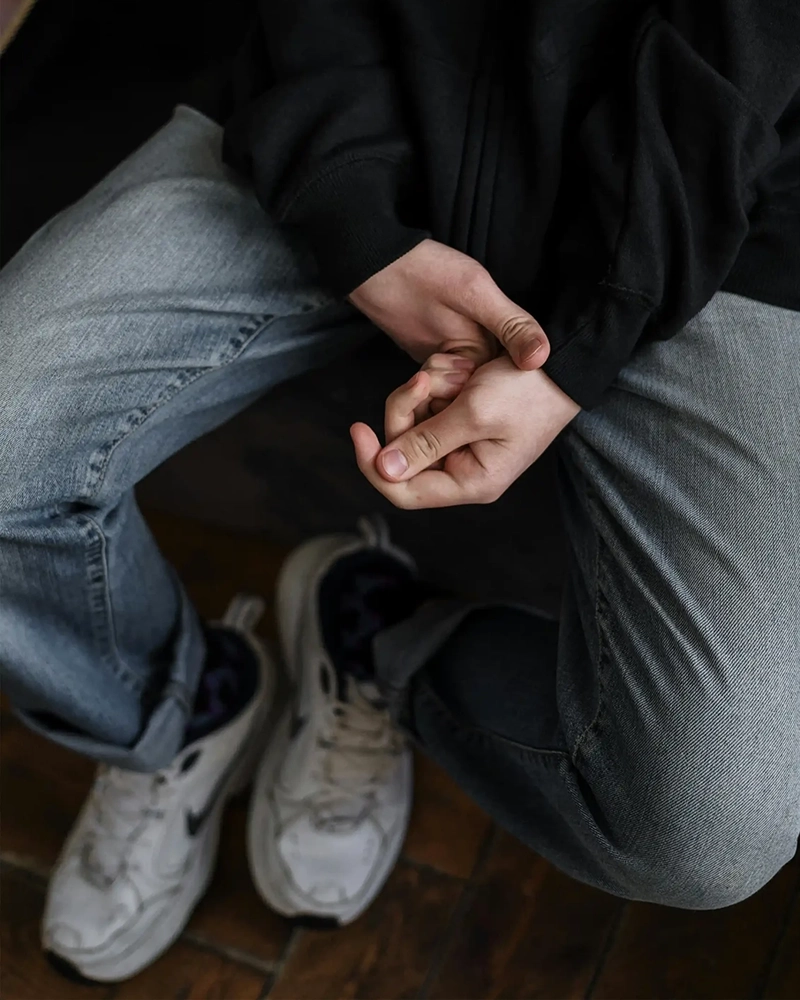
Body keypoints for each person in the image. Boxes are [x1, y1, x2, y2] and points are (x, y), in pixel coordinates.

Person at [1, 0, 799, 984]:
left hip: (729, 201)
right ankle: (179, 713)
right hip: (358, 86)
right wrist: (347, 199)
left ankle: (366, 631)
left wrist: (580, 341)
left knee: (706, 830)